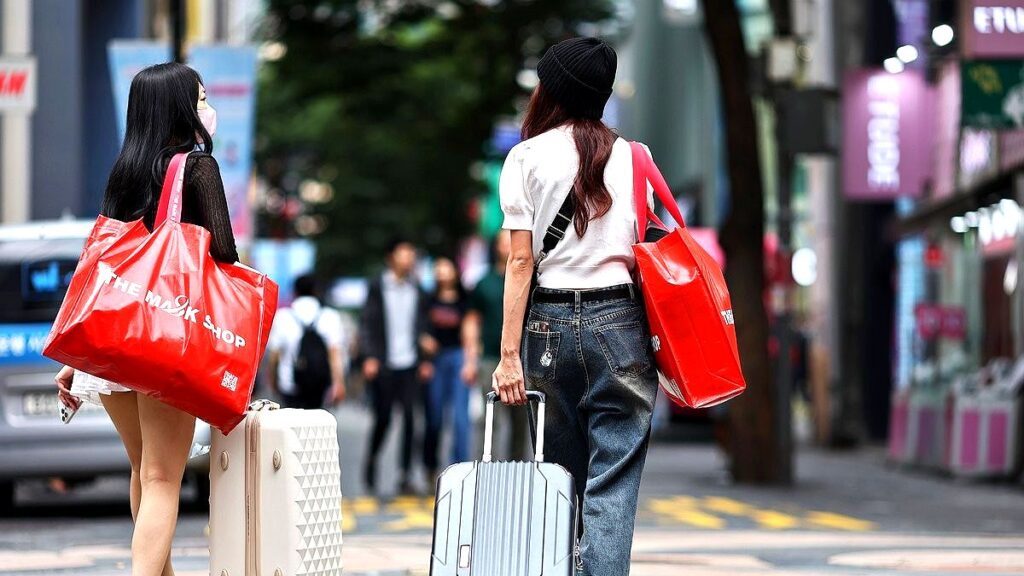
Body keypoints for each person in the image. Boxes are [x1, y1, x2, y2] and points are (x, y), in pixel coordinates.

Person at [53, 62, 237, 576]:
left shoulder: (124, 171)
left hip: (111, 343)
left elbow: (96, 262)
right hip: (162, 340)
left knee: (143, 471)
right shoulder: (197, 168)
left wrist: (71, 353)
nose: (207, 109)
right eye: (200, 99)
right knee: (161, 478)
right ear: (180, 108)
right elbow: (223, 254)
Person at [491, 38, 658, 576]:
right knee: (613, 482)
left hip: (547, 328)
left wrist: (508, 355)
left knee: (558, 482)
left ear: (552, 90)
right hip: (619, 324)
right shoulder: (635, 158)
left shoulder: (526, 157)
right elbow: (644, 252)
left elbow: (520, 263)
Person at [361, 238, 432, 495]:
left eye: (412, 254)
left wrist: (426, 360)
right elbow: (367, 323)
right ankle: (371, 460)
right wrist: (369, 356)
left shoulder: (419, 290)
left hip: (411, 364)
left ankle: (405, 474)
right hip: (384, 364)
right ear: (391, 257)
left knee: (413, 419)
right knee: (384, 418)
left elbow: (424, 327)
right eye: (404, 253)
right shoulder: (377, 287)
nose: (409, 258)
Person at [462, 231, 528, 461]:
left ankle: (517, 470)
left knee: (522, 424)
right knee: (490, 418)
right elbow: (471, 322)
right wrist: (470, 361)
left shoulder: (530, 279)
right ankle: (486, 467)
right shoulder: (484, 283)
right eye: (505, 240)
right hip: (490, 359)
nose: (509, 244)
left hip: (523, 361)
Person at [422, 256, 471, 485]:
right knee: (434, 418)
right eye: (437, 268)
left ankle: (459, 470)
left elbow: (471, 330)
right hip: (435, 360)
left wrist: (470, 361)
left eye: (445, 267)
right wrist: (423, 346)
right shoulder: (428, 300)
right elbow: (418, 327)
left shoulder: (465, 300)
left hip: (458, 357)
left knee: (461, 418)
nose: (441, 272)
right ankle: (430, 466)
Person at [267, 274, 347, 409]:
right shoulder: (330, 316)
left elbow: (274, 356)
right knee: (313, 425)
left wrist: (273, 381)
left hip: (289, 384)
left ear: (295, 292)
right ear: (316, 291)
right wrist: (339, 383)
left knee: (290, 425)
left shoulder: (283, 316)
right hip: (319, 383)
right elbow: (334, 354)